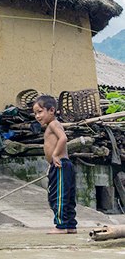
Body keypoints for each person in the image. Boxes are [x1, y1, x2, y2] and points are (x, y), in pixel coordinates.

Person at [32, 94, 77, 234]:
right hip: (60, 165)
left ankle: (61, 226)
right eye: (35, 113)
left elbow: (63, 138)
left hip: (60, 164)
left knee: (58, 196)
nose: (37, 116)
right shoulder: (52, 125)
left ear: (51, 110)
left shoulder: (53, 124)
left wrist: (55, 155)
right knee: (66, 195)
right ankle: (70, 225)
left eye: (40, 112)